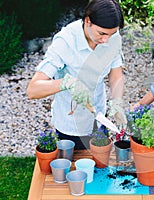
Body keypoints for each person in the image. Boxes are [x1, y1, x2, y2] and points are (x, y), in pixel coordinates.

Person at [26, 0, 127, 150]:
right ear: (88, 21)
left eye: (111, 35)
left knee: (99, 168)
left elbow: (116, 74)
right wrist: (67, 83)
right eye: (102, 34)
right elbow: (32, 90)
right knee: (72, 170)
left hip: (98, 119)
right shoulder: (65, 42)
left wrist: (117, 101)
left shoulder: (110, 36)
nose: (106, 40)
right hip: (70, 126)